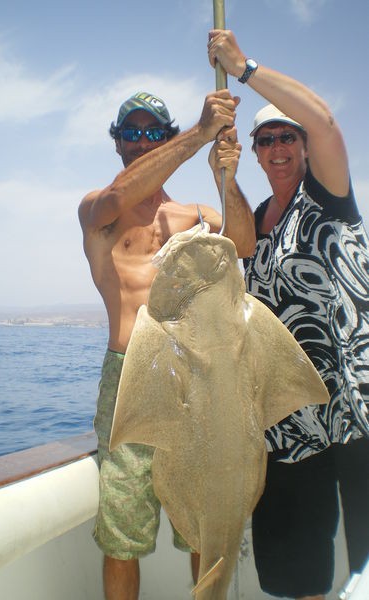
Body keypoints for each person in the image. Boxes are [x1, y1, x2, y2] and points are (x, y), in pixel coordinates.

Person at [208, 29, 369, 600]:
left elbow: (325, 121)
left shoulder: (327, 194)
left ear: (303, 147)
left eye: (287, 137)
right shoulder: (258, 217)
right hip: (287, 416)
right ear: (255, 151)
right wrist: (223, 176)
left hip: (352, 408)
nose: (278, 148)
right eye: (266, 140)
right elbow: (239, 247)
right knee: (298, 572)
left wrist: (242, 67)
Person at [78, 90, 255, 599]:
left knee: (199, 525)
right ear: (117, 143)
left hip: (192, 380)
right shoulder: (99, 211)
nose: (142, 142)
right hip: (127, 374)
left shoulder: (193, 215)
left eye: (153, 132)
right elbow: (118, 196)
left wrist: (227, 178)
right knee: (122, 537)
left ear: (165, 137)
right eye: (131, 133)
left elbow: (243, 242)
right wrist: (199, 134)